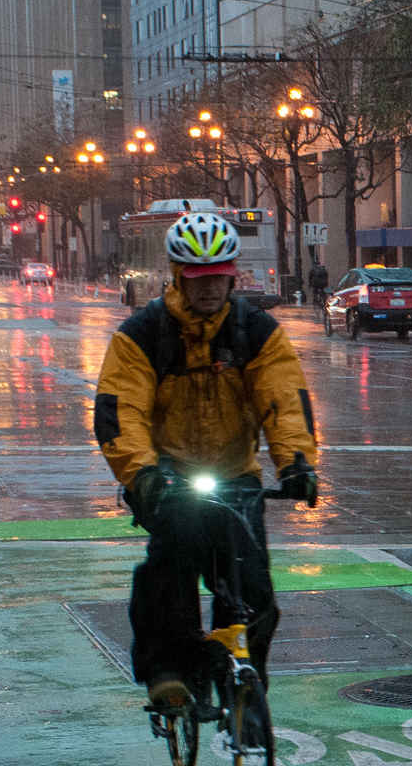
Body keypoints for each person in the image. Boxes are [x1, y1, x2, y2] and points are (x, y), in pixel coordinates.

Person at [94, 210, 320, 715]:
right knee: (171, 568)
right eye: (198, 279)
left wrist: (297, 464)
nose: (210, 288)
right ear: (178, 276)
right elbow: (120, 410)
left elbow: (283, 398)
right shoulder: (143, 335)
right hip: (168, 476)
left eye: (219, 277)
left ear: (232, 275)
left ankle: (242, 685)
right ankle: (169, 674)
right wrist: (142, 474)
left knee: (255, 591)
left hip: (237, 475)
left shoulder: (255, 332)